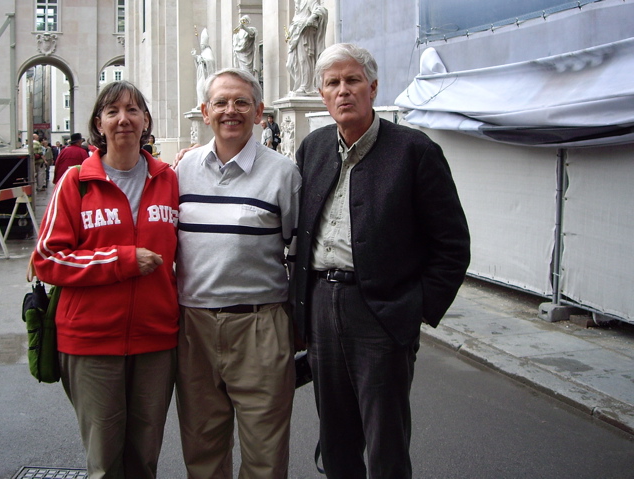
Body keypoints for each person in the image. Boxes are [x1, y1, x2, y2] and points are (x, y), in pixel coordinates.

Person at [292, 43, 471, 479]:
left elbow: (452, 244)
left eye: (352, 80)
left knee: (385, 439)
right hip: (320, 305)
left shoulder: (414, 151)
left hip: (381, 313)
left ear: (372, 87)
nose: (343, 91)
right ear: (321, 94)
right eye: (332, 83)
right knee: (335, 437)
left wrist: (415, 309)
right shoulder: (313, 148)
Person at [33, 80, 180, 479]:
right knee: (105, 462)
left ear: (146, 120)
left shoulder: (170, 180)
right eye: (113, 112)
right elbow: (47, 259)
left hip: (156, 340)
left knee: (145, 458)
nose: (123, 120)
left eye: (133, 110)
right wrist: (122, 260)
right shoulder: (76, 182)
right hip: (91, 343)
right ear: (99, 123)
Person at [174, 68, 300, 479]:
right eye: (222, 102)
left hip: (260, 327)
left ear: (260, 112)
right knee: (202, 451)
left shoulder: (283, 173)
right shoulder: (181, 171)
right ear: (205, 111)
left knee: (265, 457)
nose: (231, 110)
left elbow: (297, 252)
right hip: (193, 328)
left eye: (242, 102)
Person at [286, 0, 328, 95]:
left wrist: (311, 18)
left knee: (303, 60)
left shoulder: (309, 1)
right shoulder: (297, 5)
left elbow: (320, 10)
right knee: (290, 64)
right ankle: (300, 83)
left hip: (305, 34)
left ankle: (305, 86)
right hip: (295, 35)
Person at [192, 28, 217, 109]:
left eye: (202, 44)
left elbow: (211, 61)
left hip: (205, 75)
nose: (201, 45)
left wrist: (203, 60)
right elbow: (200, 61)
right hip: (201, 74)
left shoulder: (208, 51)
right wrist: (196, 57)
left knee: (201, 88)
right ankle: (201, 103)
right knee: (199, 88)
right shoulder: (203, 52)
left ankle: (203, 103)